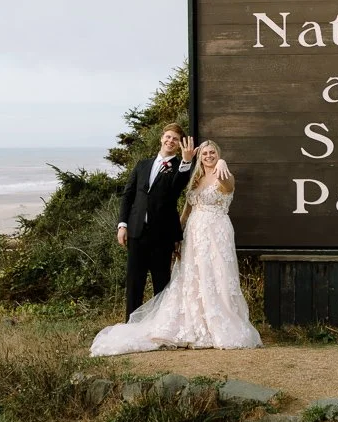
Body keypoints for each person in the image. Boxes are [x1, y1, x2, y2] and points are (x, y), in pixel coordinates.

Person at [91, 139, 263, 356]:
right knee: (193, 277)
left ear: (218, 154)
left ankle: (218, 323)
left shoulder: (224, 175)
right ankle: (193, 320)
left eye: (212, 153)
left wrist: (223, 164)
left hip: (215, 233)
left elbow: (228, 187)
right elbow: (186, 211)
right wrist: (177, 236)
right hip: (193, 235)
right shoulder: (196, 178)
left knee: (216, 275)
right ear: (199, 157)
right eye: (205, 154)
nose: (208, 156)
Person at [116, 125, 196, 319]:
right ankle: (131, 325)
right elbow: (128, 195)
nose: (170, 141)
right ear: (161, 138)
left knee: (161, 283)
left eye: (175, 139)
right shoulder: (142, 165)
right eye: (168, 137)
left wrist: (186, 161)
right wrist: (122, 225)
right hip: (136, 232)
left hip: (162, 236)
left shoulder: (180, 168)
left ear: (179, 145)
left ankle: (159, 325)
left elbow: (176, 189)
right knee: (135, 282)